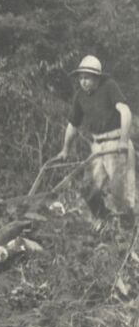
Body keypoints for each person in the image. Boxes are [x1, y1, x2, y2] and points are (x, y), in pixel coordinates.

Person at [53, 55, 135, 229]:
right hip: (97, 147)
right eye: (81, 78)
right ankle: (104, 222)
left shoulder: (109, 87)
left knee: (120, 190)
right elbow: (72, 125)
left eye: (87, 78)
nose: (83, 82)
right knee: (90, 188)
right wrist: (65, 150)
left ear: (97, 77)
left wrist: (123, 141)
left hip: (116, 143)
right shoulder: (80, 96)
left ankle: (128, 229)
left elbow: (125, 112)